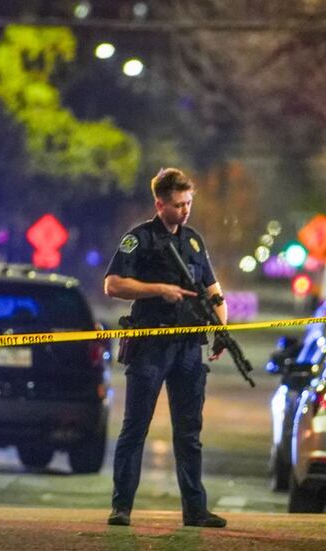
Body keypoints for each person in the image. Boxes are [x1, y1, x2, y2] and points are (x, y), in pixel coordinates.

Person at [103, 168, 227, 528]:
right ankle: (122, 506)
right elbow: (112, 285)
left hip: (188, 346)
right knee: (135, 428)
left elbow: (213, 289)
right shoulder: (138, 239)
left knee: (189, 433)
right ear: (160, 204)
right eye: (178, 204)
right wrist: (158, 289)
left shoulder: (193, 241)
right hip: (151, 344)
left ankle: (195, 509)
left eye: (188, 203)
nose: (185, 210)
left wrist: (222, 327)